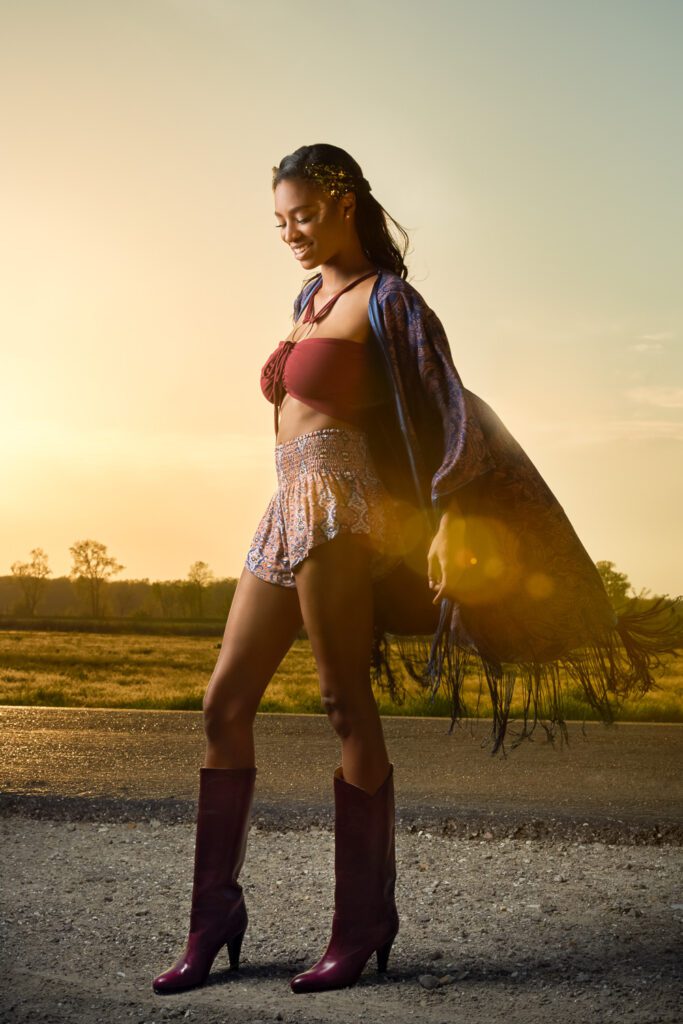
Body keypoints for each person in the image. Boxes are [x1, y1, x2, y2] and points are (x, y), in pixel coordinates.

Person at [152, 143, 682, 998]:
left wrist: (451, 519)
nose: (290, 233)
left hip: (342, 509)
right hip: (284, 506)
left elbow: (451, 412)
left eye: (303, 215)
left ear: (344, 200)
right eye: (279, 221)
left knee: (342, 704)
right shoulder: (307, 297)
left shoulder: (390, 301)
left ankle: (361, 923)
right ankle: (212, 919)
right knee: (223, 705)